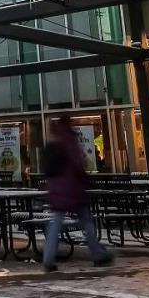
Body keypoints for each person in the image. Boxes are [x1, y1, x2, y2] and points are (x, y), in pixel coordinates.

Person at [40, 115, 112, 273]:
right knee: (86, 222)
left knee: (55, 223)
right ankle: (97, 254)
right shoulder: (70, 141)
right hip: (73, 188)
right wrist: (85, 180)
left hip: (56, 189)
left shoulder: (52, 144)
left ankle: (48, 259)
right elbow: (78, 164)